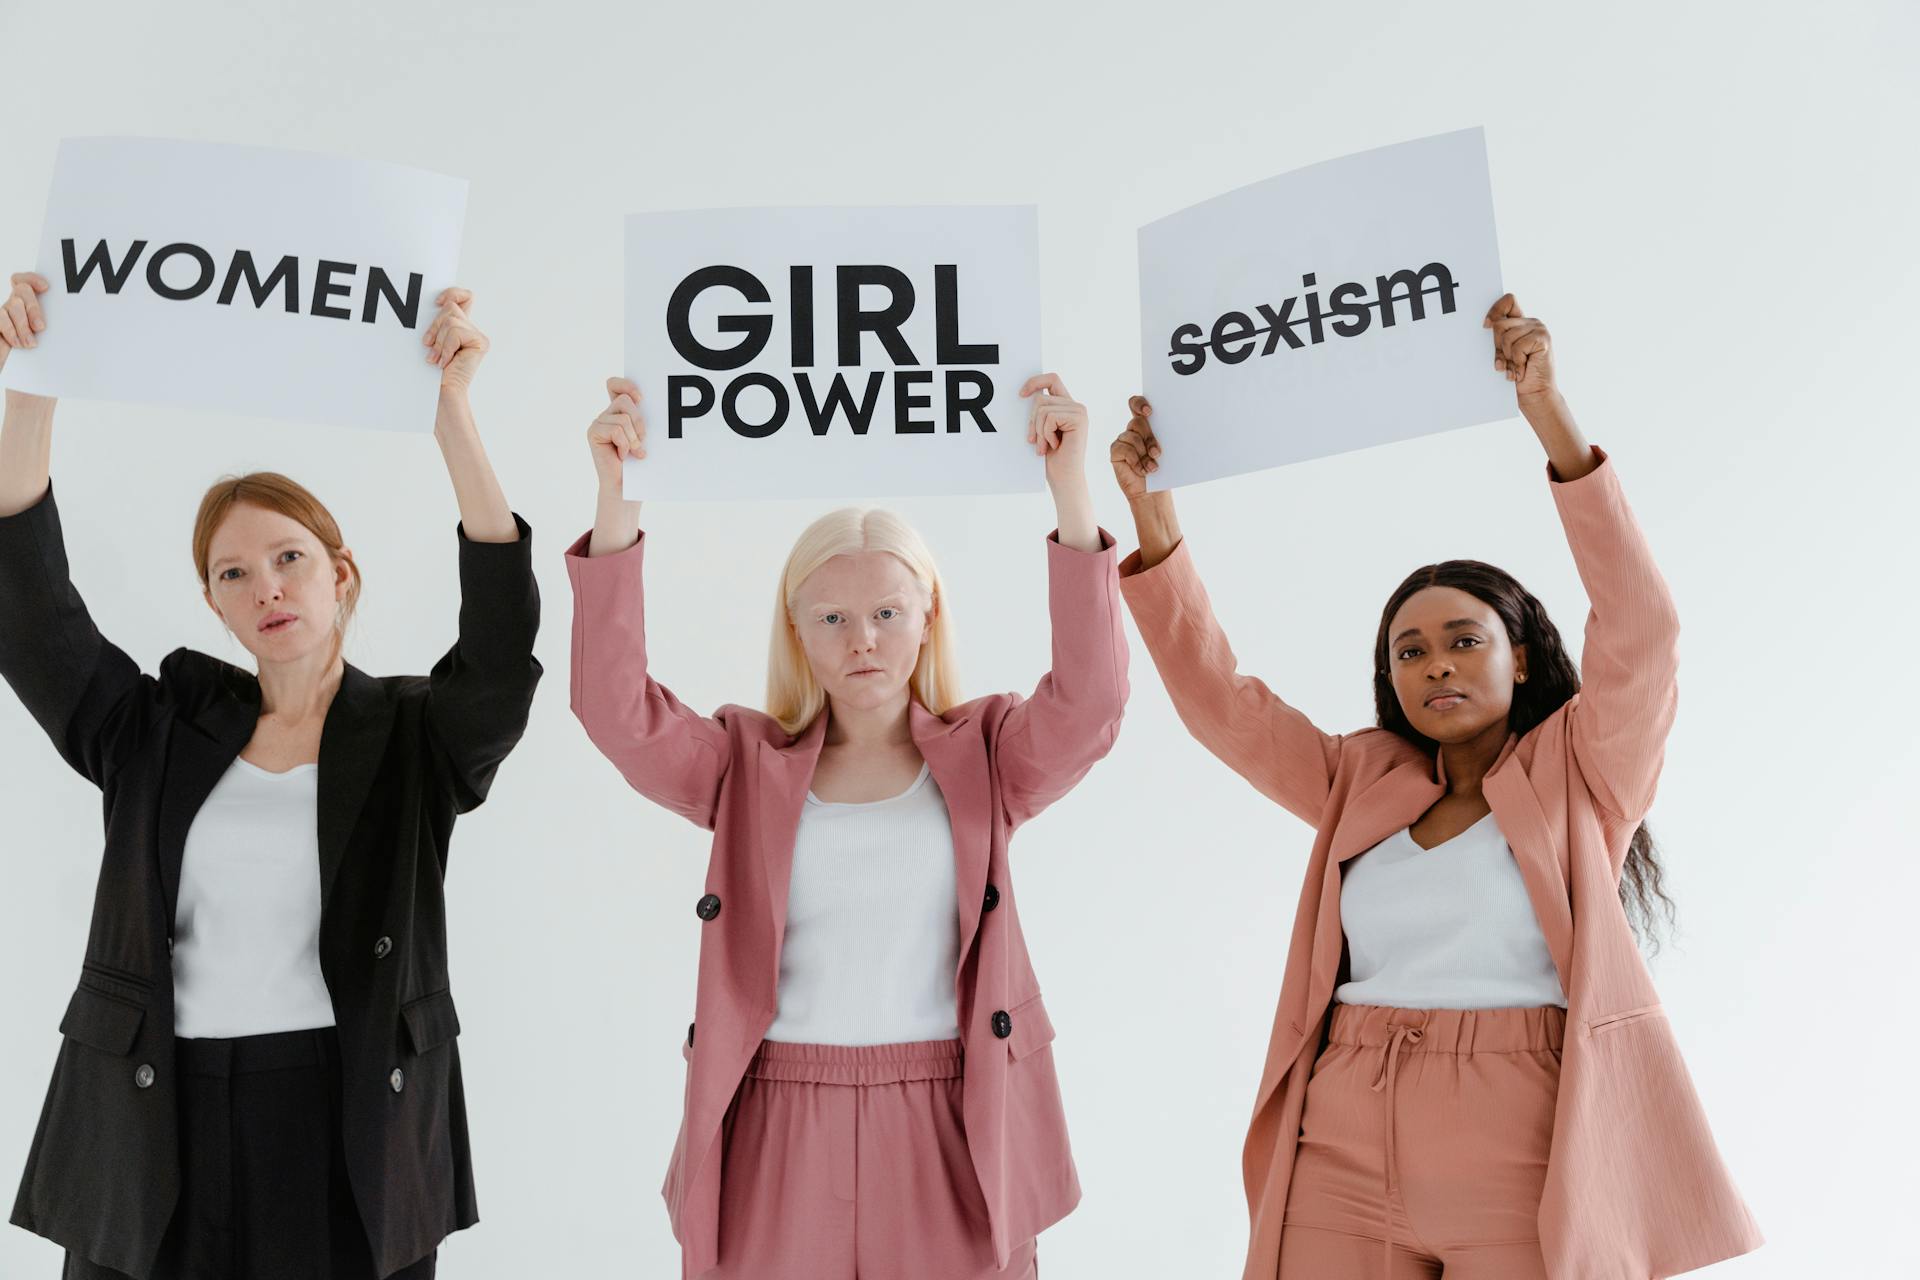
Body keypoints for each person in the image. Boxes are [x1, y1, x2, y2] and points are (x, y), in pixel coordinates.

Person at [1109, 295, 1761, 1279]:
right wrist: (1152, 511)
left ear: (1525, 659)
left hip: (1519, 1125)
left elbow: (1644, 630)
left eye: (1465, 640)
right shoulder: (1358, 776)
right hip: (1345, 1114)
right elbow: (1222, 707)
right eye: (1410, 649)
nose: (1436, 664)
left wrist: (1548, 414)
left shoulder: (1582, 772)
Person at [0, 272, 542, 1280]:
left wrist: (450, 415)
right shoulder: (154, 730)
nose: (268, 586)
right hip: (157, 1109)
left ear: (340, 571)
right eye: (233, 573)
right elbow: (34, 620)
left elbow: (502, 650)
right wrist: (29, 385)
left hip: (337, 1112)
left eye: (290, 556)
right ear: (213, 604)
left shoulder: (417, 736)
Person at [565, 373, 1127, 1279]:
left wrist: (1070, 493)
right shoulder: (743, 764)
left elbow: (1092, 705)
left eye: (885, 613)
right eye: (830, 617)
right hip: (778, 1109)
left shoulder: (990, 751)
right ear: (797, 631)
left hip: (953, 1108)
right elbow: (613, 710)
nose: (860, 639)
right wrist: (618, 495)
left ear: (925, 617)